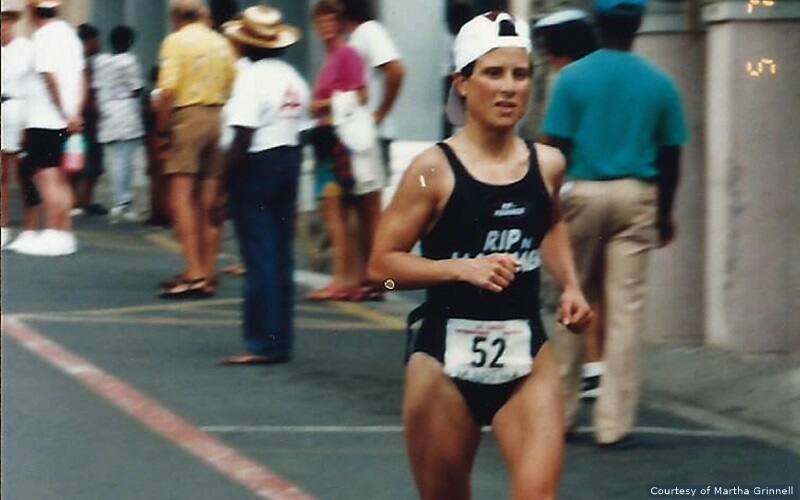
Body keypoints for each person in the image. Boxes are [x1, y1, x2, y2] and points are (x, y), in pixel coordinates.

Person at [368, 11, 592, 498]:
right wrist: (459, 269)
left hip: (527, 357)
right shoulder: (431, 171)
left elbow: (549, 221)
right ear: (462, 83)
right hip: (443, 367)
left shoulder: (547, 164)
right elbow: (381, 271)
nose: (509, 88)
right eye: (493, 73)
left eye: (520, 74)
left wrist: (571, 285)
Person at [539, 0, 687, 447]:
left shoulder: (572, 78)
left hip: (582, 193)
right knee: (625, 311)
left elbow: (554, 147)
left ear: (598, 26)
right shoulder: (660, 83)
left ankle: (561, 415)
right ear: (638, 25)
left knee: (572, 297)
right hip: (636, 196)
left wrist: (547, 209)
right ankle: (614, 424)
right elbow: (671, 155)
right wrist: (663, 214)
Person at [219, 5, 309, 365]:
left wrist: (222, 182)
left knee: (259, 256)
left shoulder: (250, 79)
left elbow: (241, 134)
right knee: (281, 254)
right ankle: (280, 338)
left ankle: (261, 341)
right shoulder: (293, 77)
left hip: (256, 163)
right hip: (288, 159)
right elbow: (302, 128)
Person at [533, 9, 603, 400]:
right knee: (606, 287)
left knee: (573, 282)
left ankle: (571, 378)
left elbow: (553, 138)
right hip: (626, 189)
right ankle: (597, 364)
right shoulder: (605, 73)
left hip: (576, 189)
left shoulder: (566, 79)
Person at [155, 0, 236, 298]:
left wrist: (163, 131)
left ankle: (193, 271)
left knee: (182, 198)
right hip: (218, 115)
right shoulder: (221, 42)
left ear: (176, 17)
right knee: (209, 198)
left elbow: (168, 91)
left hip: (188, 116)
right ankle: (208, 269)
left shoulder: (175, 42)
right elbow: (231, 83)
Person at [306, 0, 382, 302]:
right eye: (320, 21)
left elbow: (360, 94)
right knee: (343, 213)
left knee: (335, 210)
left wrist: (319, 105)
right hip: (332, 140)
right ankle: (352, 278)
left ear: (339, 23)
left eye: (330, 20)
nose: (325, 26)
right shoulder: (331, 58)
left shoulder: (347, 54)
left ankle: (343, 279)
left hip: (340, 142)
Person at [14, 0, 85, 256]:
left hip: (45, 118)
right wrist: (75, 113)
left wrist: (64, 111)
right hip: (65, 119)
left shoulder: (43, 37)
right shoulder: (71, 36)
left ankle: (54, 234)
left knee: (47, 178)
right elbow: (81, 78)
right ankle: (65, 233)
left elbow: (48, 76)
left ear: (34, 12)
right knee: (60, 178)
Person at [340, 0, 405, 179]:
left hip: (372, 136)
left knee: (370, 203)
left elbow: (396, 70)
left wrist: (381, 113)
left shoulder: (369, 31)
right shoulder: (350, 39)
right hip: (355, 135)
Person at [93, 25, 144, 223]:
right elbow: (137, 88)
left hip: (107, 111)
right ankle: (123, 201)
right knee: (126, 160)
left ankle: (117, 200)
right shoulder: (129, 61)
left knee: (113, 160)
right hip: (126, 112)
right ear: (129, 42)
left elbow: (97, 86)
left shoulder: (101, 61)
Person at [1, 0, 40, 250]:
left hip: (19, 108)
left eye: (5, 20)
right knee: (2, 174)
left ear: (13, 22)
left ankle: (30, 227)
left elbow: (34, 86)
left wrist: (30, 121)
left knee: (24, 173)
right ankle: (2, 227)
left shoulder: (26, 48)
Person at [71, 23, 106, 217]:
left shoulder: (90, 62)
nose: (99, 43)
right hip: (86, 117)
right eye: (96, 40)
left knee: (90, 160)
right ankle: (80, 200)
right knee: (84, 159)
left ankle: (83, 200)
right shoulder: (81, 63)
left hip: (88, 116)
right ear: (89, 41)